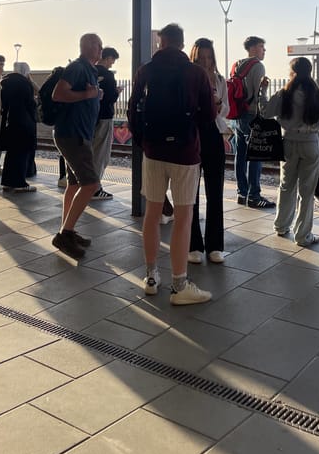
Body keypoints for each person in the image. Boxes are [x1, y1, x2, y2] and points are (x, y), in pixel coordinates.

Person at [128, 23, 216, 305]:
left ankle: (151, 276)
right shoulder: (196, 72)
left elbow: (132, 108)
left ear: (161, 42)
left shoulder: (146, 70)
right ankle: (180, 285)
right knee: (183, 216)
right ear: (181, 43)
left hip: (153, 151)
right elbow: (209, 115)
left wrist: (144, 141)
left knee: (152, 214)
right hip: (186, 153)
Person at [260, 57, 319, 246]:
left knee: (286, 186)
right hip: (311, 145)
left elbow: (265, 111)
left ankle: (281, 226)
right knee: (307, 192)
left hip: (288, 143)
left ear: (292, 73)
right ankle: (302, 236)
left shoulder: (284, 94)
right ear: (310, 72)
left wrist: (263, 91)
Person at [51, 33, 103, 260]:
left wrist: (94, 95)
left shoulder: (89, 69)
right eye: (98, 45)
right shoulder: (78, 67)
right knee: (91, 184)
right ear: (88, 46)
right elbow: (58, 93)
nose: (101, 49)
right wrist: (87, 94)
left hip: (77, 134)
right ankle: (65, 233)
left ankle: (67, 229)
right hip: (73, 135)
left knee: (74, 185)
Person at [188, 38, 228, 265]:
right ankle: (194, 245)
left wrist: (218, 104)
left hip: (213, 136)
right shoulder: (187, 80)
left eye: (208, 57)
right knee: (190, 194)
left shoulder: (220, 80)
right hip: (193, 136)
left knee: (215, 192)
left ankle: (215, 245)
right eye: (200, 58)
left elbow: (227, 110)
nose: (205, 62)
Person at [232, 36, 276, 209]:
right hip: (252, 115)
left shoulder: (237, 64)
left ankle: (242, 193)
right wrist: (264, 88)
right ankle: (254, 195)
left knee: (240, 154)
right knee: (256, 156)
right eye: (261, 46)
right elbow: (259, 96)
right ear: (252, 48)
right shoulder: (258, 65)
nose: (264, 50)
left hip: (239, 115)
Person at [0, 62, 38, 193]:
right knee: (22, 153)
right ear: (26, 71)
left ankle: (7, 182)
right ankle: (19, 182)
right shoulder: (24, 83)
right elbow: (30, 103)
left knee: (11, 153)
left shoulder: (6, 82)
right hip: (24, 122)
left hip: (10, 121)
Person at [91, 46, 123, 201]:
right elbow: (110, 98)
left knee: (90, 152)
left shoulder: (90, 71)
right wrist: (117, 92)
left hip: (90, 117)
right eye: (112, 60)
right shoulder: (108, 76)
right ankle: (95, 188)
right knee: (100, 154)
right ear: (108, 57)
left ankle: (86, 185)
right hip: (104, 117)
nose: (112, 64)